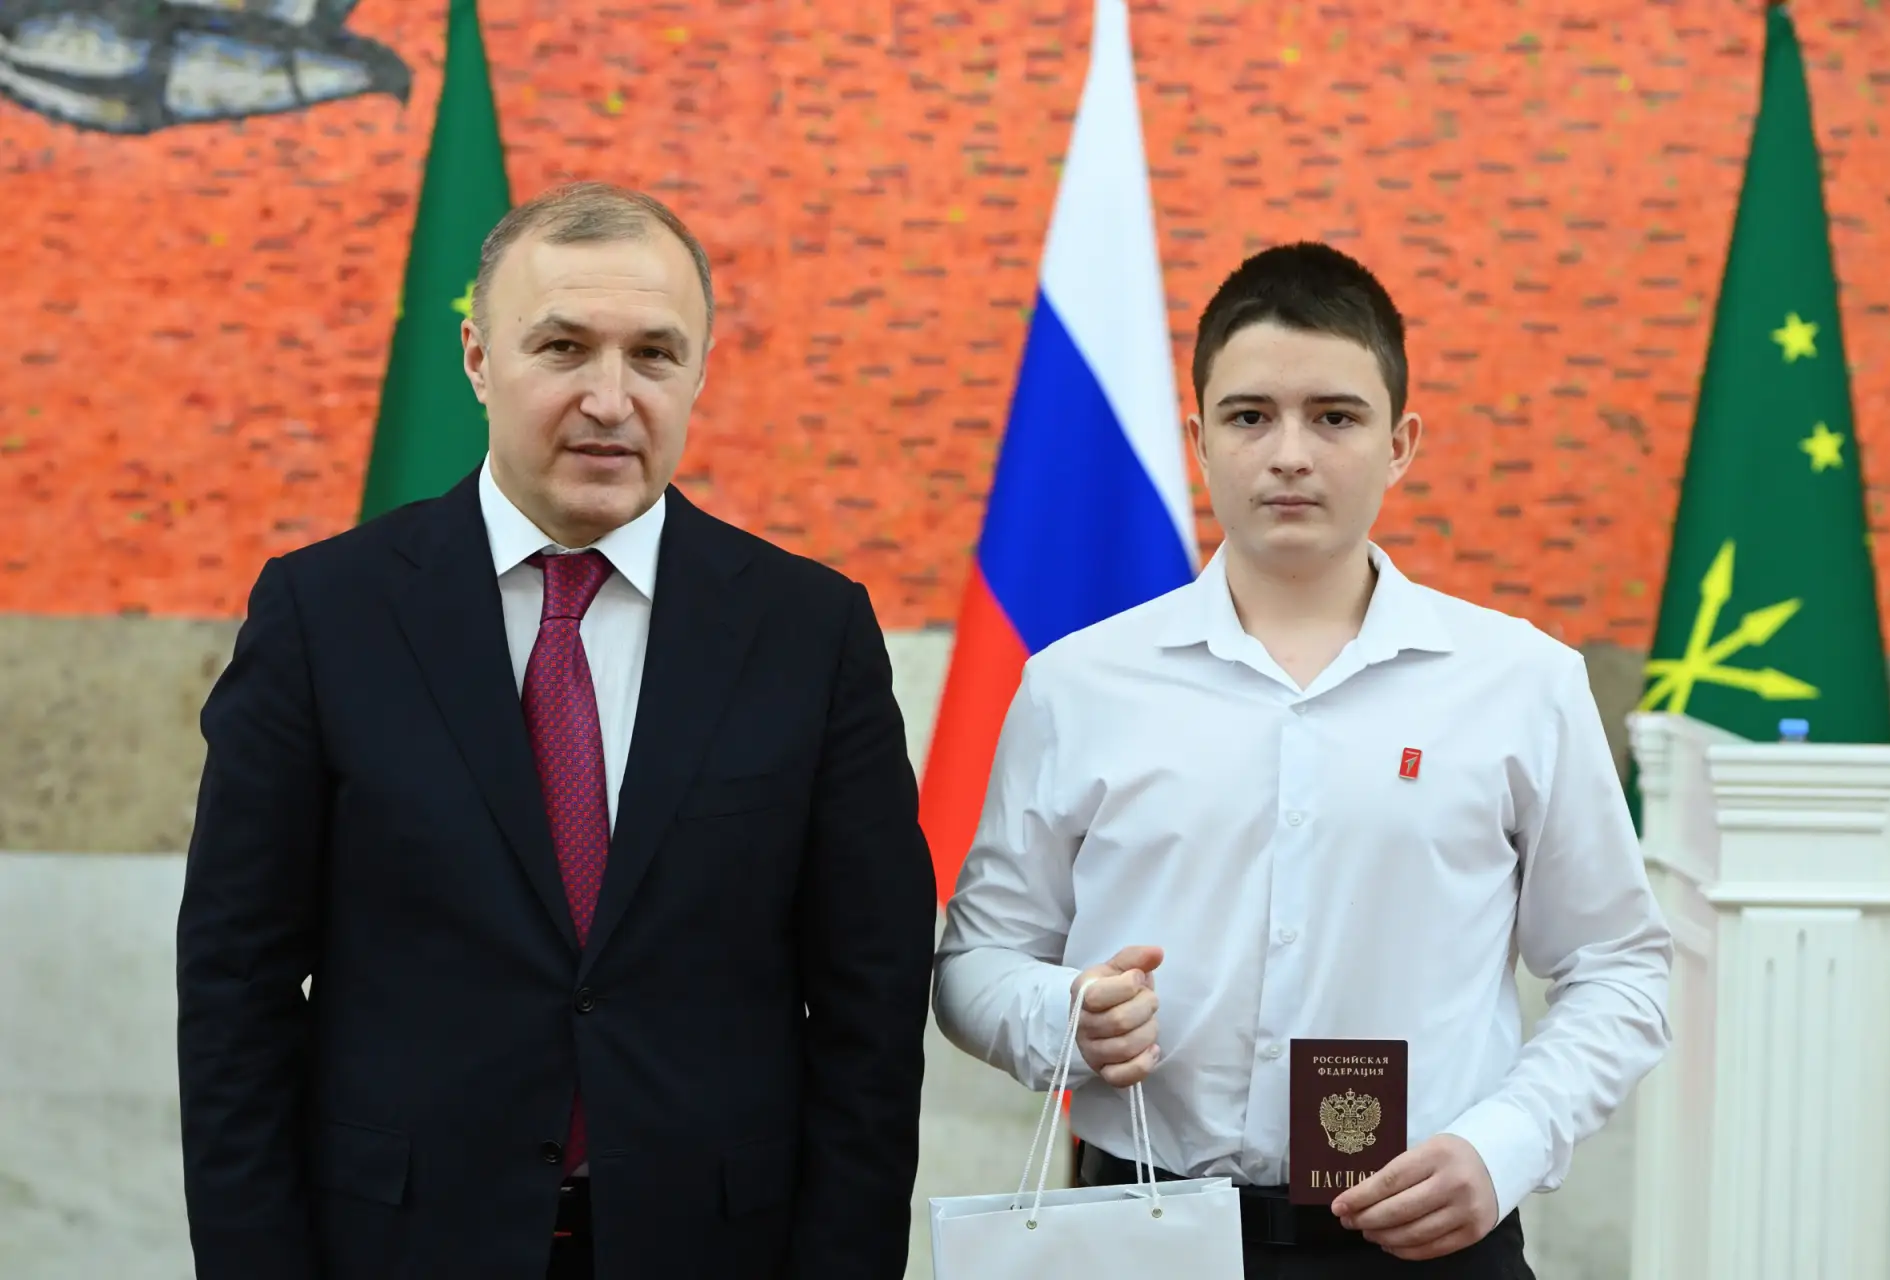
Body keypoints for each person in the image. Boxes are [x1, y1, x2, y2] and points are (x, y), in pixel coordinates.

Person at [176, 181, 937, 1280]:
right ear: (479, 359)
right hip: (397, 1243)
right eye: (564, 347)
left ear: (701, 372)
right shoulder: (323, 615)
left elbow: (873, 1002)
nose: (610, 399)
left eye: (654, 355)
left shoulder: (810, 631)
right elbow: (235, 986)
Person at [931, 241, 1672, 1278]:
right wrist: (1064, 1018)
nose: (1289, 453)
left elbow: (1621, 967)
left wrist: (1505, 1144)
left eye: (1334, 417)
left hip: (1427, 1239)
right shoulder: (1077, 684)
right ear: (1199, 439)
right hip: (1144, 1232)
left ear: (1400, 443)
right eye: (1250, 416)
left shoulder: (1521, 682)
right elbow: (972, 962)